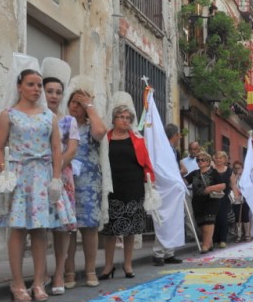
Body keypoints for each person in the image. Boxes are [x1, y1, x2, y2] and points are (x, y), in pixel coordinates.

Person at [0, 59, 63, 302]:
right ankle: (16, 282)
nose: (36, 89)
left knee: (39, 230)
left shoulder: (49, 116)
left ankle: (37, 282)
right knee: (17, 229)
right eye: (31, 84)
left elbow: (57, 149)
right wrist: (4, 172)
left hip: (42, 175)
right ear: (19, 86)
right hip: (18, 175)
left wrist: (56, 178)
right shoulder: (8, 114)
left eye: (39, 85)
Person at [99, 97, 155, 280]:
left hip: (133, 186)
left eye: (127, 117)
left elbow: (146, 161)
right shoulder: (105, 138)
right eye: (121, 117)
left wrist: (149, 181)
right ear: (113, 119)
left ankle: (128, 264)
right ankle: (108, 266)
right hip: (112, 187)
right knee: (110, 230)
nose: (125, 120)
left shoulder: (137, 139)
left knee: (130, 229)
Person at [63, 77, 108, 287]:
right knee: (68, 228)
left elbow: (101, 132)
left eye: (79, 103)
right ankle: (69, 271)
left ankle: (90, 270)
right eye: (73, 101)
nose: (75, 106)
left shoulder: (91, 126)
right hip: (67, 180)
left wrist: (89, 105)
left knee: (89, 228)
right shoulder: (62, 123)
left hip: (89, 183)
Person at [41, 58, 80, 295]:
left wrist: (55, 170)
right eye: (49, 91)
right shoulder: (38, 118)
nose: (53, 96)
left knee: (62, 227)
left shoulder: (68, 121)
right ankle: (40, 273)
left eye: (58, 92)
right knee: (38, 226)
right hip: (36, 177)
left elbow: (72, 149)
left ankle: (58, 273)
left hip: (62, 177)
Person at [151, 123, 185, 266]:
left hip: (174, 191)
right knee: (162, 220)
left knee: (174, 220)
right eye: (179, 134)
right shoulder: (160, 150)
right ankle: (158, 253)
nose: (180, 137)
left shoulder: (175, 151)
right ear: (175, 135)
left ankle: (169, 252)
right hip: (163, 189)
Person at [185, 151, 225, 253]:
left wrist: (211, 187)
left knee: (208, 222)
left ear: (208, 162)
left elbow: (223, 185)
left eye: (202, 160)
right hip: (198, 202)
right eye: (198, 160)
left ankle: (205, 245)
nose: (200, 162)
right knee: (202, 224)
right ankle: (209, 243)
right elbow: (184, 182)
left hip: (211, 201)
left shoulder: (213, 172)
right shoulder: (194, 173)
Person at [211, 150, 232, 248]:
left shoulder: (229, 171)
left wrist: (236, 195)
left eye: (221, 158)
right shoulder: (211, 169)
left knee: (223, 218)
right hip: (213, 196)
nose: (218, 159)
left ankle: (223, 239)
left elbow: (233, 184)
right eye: (217, 158)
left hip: (224, 197)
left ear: (225, 159)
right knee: (214, 217)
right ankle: (215, 239)